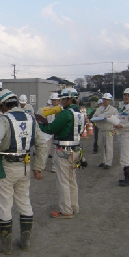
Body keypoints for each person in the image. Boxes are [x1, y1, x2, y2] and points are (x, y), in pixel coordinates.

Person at [0, 89, 47, 254]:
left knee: (4, 204)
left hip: (6, 165)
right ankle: (25, 242)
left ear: (3, 104)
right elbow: (42, 143)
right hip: (24, 164)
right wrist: (38, 168)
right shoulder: (30, 118)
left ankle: (6, 245)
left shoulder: (4, 119)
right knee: (24, 202)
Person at [37, 88, 84, 218]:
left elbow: (52, 128)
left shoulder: (66, 113)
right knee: (72, 180)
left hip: (63, 149)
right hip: (75, 149)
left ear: (69, 99)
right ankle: (74, 206)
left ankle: (66, 210)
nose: (61, 102)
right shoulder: (79, 113)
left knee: (63, 181)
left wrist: (39, 125)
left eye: (63, 99)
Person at [114, 88, 129, 187]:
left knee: (124, 158)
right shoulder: (124, 107)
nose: (126, 97)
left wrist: (122, 126)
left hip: (127, 134)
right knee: (127, 157)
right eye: (125, 95)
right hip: (122, 134)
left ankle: (128, 179)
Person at [93, 93, 119, 169]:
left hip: (109, 130)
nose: (105, 101)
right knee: (101, 146)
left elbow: (116, 120)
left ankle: (108, 162)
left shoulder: (113, 110)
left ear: (109, 100)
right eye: (104, 99)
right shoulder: (99, 109)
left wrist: (107, 118)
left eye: (107, 100)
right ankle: (102, 161)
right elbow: (94, 116)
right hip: (101, 130)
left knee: (108, 147)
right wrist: (99, 118)